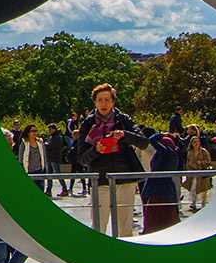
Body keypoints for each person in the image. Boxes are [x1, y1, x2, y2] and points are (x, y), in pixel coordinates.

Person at [73, 83, 147, 237]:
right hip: (100, 181)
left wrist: (125, 135)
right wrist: (95, 150)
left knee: (125, 229)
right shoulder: (88, 124)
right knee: (98, 228)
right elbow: (81, 159)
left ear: (113, 102)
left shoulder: (123, 119)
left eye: (107, 99)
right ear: (94, 102)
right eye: (100, 100)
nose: (103, 103)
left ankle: (125, 259)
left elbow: (143, 142)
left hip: (125, 179)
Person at [141, 130, 185, 233]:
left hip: (159, 191)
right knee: (167, 218)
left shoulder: (167, 153)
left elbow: (151, 139)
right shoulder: (172, 153)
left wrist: (160, 134)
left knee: (154, 219)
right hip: (165, 190)